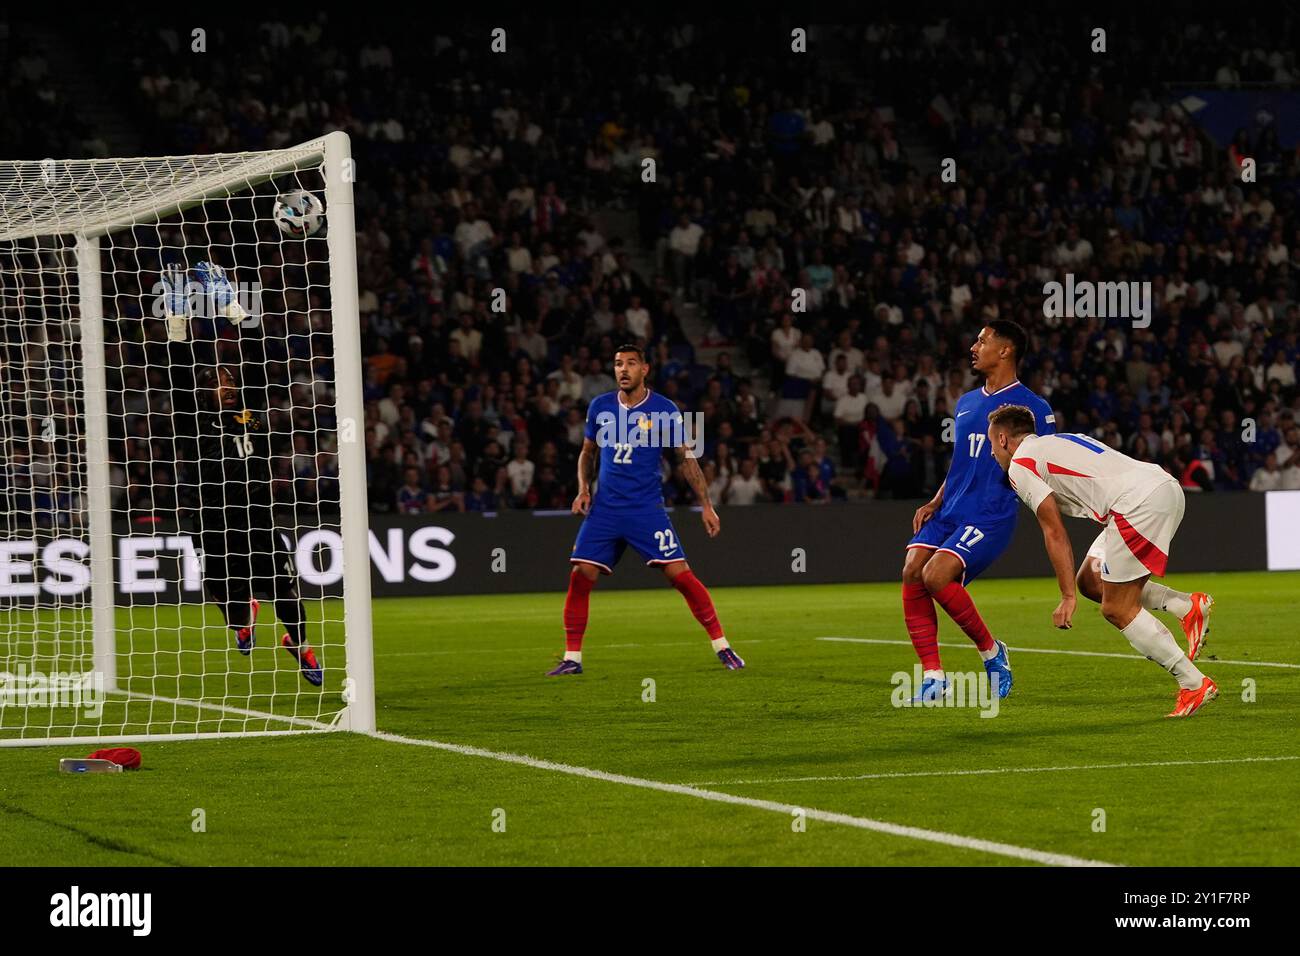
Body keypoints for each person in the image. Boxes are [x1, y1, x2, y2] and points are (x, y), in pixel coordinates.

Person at [987, 405, 1217, 718]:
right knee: (1091, 582)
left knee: (1117, 608)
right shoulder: (1055, 442)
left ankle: (1193, 683)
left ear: (1003, 439)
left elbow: (1054, 531)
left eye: (990, 445)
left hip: (1135, 505)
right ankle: (1186, 606)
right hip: (1159, 486)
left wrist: (1066, 597)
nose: (991, 453)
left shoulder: (1020, 465)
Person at [549, 345, 743, 674]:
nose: (622, 369)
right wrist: (583, 488)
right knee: (581, 575)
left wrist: (706, 506)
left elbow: (686, 459)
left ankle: (722, 646)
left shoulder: (664, 409)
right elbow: (587, 452)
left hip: (645, 510)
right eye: (617, 364)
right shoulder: (600, 406)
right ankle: (572, 658)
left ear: (645, 369)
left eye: (630, 364)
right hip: (605, 511)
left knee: (680, 576)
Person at [902, 321, 1056, 702]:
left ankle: (992, 653)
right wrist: (936, 500)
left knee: (936, 576)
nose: (974, 346)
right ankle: (934, 677)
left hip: (990, 512)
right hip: (950, 508)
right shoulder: (966, 402)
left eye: (982, 341)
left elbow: (1045, 466)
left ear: (1005, 351)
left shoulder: (1034, 409)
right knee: (911, 571)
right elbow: (961, 462)